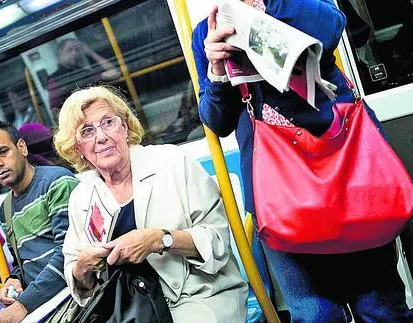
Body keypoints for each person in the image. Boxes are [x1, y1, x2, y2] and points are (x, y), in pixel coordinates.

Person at [193, 1, 413, 321]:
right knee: (314, 315)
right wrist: (216, 71)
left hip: (349, 176)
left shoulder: (296, 4)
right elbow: (216, 120)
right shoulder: (207, 32)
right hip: (278, 194)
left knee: (378, 307)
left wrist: (264, 11)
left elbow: (334, 26)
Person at [53, 86, 248, 322]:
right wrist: (82, 267)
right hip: (129, 308)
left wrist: (158, 239)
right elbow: (77, 276)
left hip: (197, 294)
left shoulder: (172, 161)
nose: (101, 137)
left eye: (108, 123)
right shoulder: (82, 197)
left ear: (124, 127)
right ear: (77, 148)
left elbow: (216, 240)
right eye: (87, 131)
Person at [0, 122, 79, 322]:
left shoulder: (57, 183)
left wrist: (24, 305)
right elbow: (22, 264)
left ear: (22, 147)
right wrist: (12, 280)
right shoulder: (6, 209)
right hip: (37, 299)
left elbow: (69, 255)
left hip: (69, 292)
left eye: (2, 152)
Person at [47, 38, 121, 116]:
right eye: (69, 50)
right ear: (59, 53)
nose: (74, 53)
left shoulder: (83, 72)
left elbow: (115, 73)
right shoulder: (55, 78)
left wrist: (90, 52)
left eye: (76, 50)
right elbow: (54, 111)